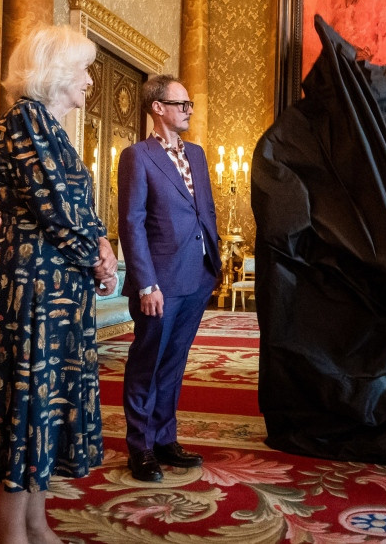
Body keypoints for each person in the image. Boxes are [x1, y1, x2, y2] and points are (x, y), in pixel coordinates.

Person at [0, 25, 117, 544]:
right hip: (34, 283)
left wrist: (101, 249)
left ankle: (36, 522)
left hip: (59, 281)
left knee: (45, 406)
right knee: (23, 407)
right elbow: (57, 208)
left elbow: (77, 210)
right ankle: (12, 534)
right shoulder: (24, 119)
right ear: (56, 72)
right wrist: (99, 256)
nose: (90, 80)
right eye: (84, 69)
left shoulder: (49, 125)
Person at [117, 75, 221, 482]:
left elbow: (205, 211)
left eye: (189, 103)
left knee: (174, 364)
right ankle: (140, 446)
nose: (189, 110)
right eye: (182, 103)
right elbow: (132, 223)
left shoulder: (196, 154)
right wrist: (145, 283)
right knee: (148, 362)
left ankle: (164, 438)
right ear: (157, 107)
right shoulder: (137, 156)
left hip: (197, 276)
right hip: (159, 283)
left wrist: (213, 266)